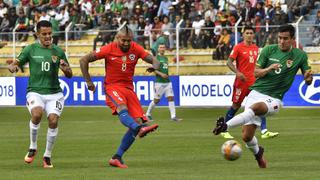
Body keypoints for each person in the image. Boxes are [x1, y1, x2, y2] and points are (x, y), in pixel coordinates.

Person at [213, 24, 313, 168]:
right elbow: (256, 73)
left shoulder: (300, 55)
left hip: (275, 99)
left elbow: (308, 79)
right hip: (256, 93)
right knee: (247, 136)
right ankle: (258, 153)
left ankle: (225, 126)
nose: (282, 41)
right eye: (280, 38)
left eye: (285, 38)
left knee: (256, 108)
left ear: (292, 39)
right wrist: (269, 68)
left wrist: (308, 78)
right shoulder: (268, 50)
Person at [79, 26, 160, 169]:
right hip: (112, 87)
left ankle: (117, 157)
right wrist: (88, 81)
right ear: (117, 38)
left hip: (129, 89)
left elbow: (155, 60)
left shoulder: (135, 48)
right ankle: (140, 128)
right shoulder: (108, 49)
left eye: (129, 41)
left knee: (137, 121)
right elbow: (83, 60)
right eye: (123, 40)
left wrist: (155, 66)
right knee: (123, 109)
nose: (126, 43)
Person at [8, 20, 73, 168]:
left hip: (55, 93)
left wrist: (65, 68)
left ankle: (47, 156)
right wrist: (13, 67)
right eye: (44, 34)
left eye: (50, 33)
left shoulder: (58, 51)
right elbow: (16, 63)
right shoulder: (30, 49)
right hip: (35, 91)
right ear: (37, 34)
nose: (48, 36)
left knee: (53, 120)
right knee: (36, 115)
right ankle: (33, 147)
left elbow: (69, 74)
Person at [222, 26, 279, 139]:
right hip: (241, 82)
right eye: (247, 33)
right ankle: (224, 129)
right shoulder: (238, 47)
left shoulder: (255, 48)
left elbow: (258, 66)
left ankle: (264, 131)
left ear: (253, 35)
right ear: (243, 35)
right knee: (236, 105)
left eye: (251, 33)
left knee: (260, 105)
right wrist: (237, 72)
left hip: (254, 82)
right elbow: (229, 62)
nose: (249, 35)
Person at [146, 44, 182, 122]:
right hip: (159, 83)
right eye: (160, 47)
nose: (162, 49)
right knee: (156, 100)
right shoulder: (156, 58)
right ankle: (148, 114)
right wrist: (161, 74)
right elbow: (153, 69)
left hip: (167, 82)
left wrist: (166, 75)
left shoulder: (165, 58)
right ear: (158, 49)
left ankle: (173, 116)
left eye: (163, 47)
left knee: (171, 98)